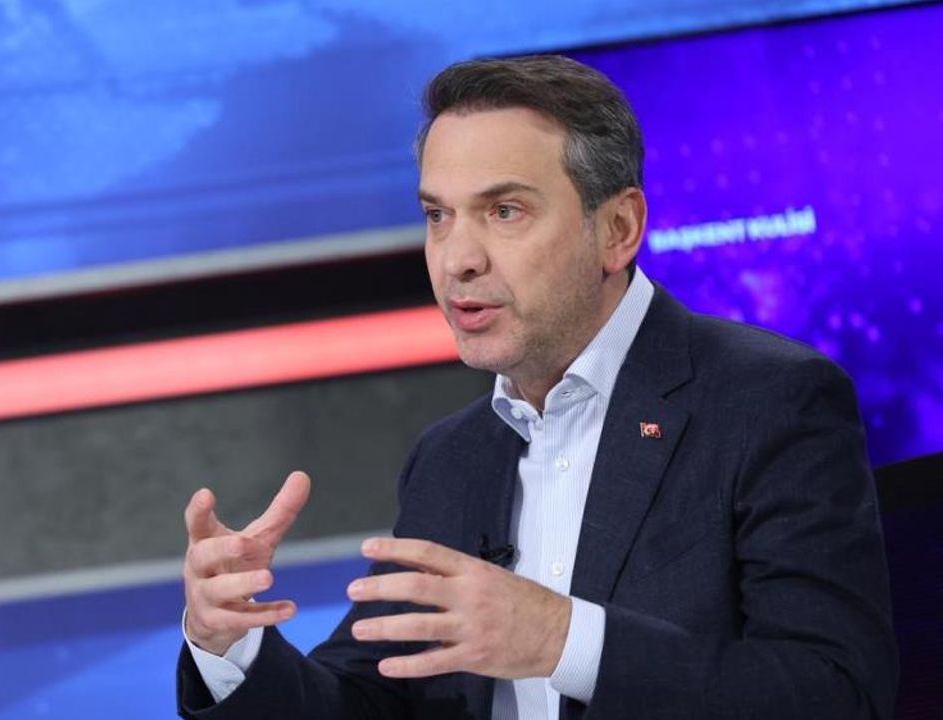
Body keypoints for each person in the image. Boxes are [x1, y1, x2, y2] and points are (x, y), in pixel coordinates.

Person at [175, 55, 898, 720]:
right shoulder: (450, 459)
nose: (457, 259)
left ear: (618, 229)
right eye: (437, 215)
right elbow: (366, 703)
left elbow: (837, 693)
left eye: (505, 211)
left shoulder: (770, 402)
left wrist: (562, 639)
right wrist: (227, 643)